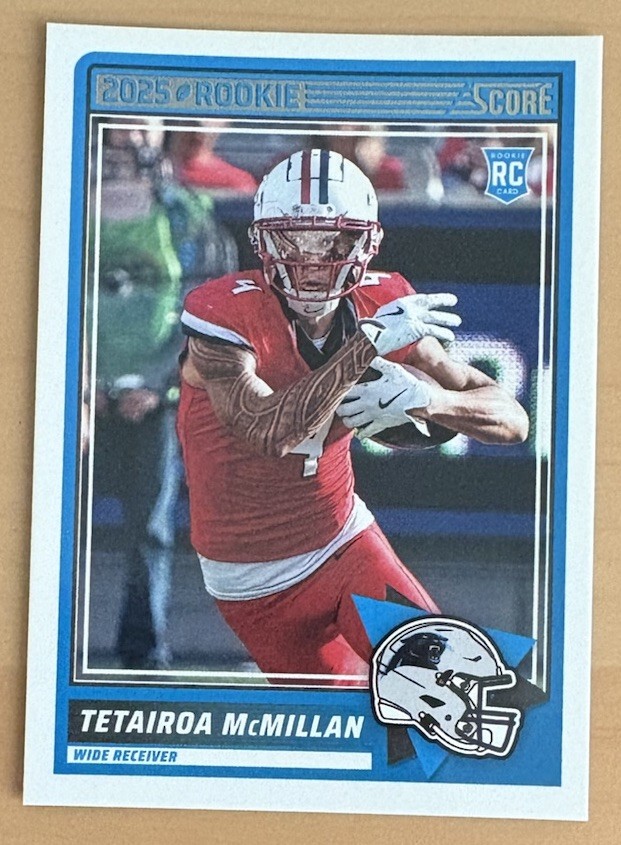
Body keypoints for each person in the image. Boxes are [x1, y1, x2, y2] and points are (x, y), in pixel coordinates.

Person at [176, 148, 529, 683]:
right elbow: (267, 430)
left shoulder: (380, 300)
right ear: (263, 242)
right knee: (346, 719)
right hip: (250, 582)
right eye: (296, 241)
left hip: (345, 542)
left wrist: (429, 399)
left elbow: (513, 421)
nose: (313, 261)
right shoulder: (225, 314)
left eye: (333, 241)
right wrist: (365, 346)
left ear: (368, 243)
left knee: (455, 692)